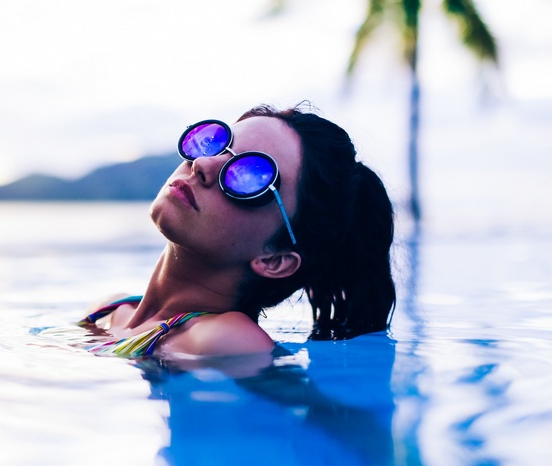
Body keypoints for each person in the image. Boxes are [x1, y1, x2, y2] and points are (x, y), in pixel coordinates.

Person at [79, 103, 396, 358]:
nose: (204, 163)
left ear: (275, 259)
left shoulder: (229, 340)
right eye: (216, 142)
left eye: (248, 175)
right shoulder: (110, 309)